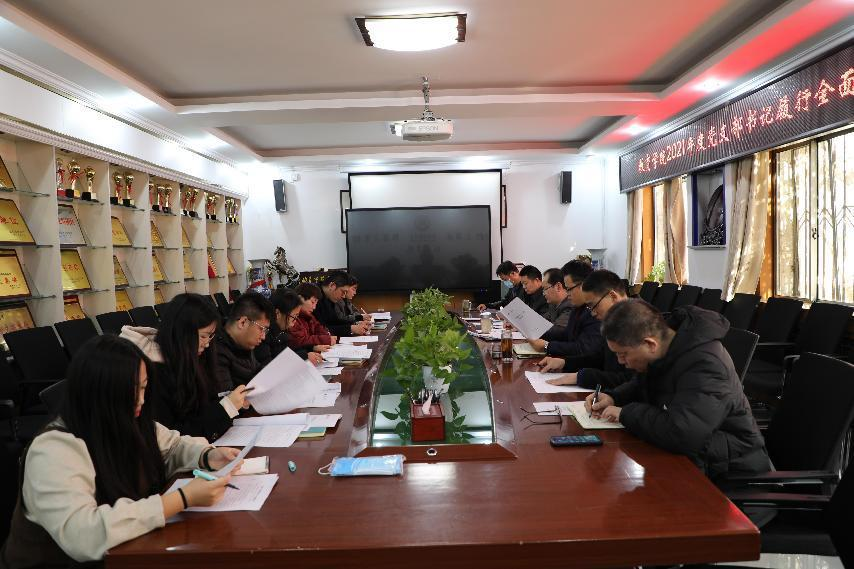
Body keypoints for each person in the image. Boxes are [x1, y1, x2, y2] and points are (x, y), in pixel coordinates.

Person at [0, 335, 241, 566]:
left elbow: (172, 447)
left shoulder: (125, 419)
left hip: (127, 552)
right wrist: (181, 499)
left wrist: (207, 456)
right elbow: (83, 535)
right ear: (98, 393)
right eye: (131, 391)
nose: (141, 400)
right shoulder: (54, 449)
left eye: (144, 388)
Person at [585, 299, 772, 482]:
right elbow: (643, 383)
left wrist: (626, 413)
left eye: (623, 354)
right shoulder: (669, 346)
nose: (620, 361)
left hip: (730, 473)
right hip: (693, 459)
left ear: (650, 344)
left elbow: (683, 434)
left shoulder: (705, 364)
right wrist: (614, 397)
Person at [121, 293, 250, 442]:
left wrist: (234, 403)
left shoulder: (192, 357)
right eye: (203, 336)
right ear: (182, 333)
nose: (207, 344)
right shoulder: (152, 372)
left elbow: (205, 407)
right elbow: (172, 438)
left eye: (211, 336)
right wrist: (226, 408)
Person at [539, 270, 633, 390]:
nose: (592, 313)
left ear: (613, 296)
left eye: (593, 306)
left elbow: (629, 381)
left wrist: (581, 377)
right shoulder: (614, 320)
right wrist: (565, 363)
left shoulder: (637, 324)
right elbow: (599, 357)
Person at [528, 260, 600, 358]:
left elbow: (584, 348)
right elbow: (565, 335)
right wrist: (532, 334)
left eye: (569, 289)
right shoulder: (577, 308)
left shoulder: (594, 311)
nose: (567, 293)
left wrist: (547, 346)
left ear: (583, 285)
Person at [214, 291, 272, 390]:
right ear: (243, 322)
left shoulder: (244, 343)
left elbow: (256, 370)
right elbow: (228, 397)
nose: (263, 337)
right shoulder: (217, 351)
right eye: (262, 329)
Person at [256, 288, 324, 366]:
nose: (295, 320)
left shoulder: (282, 330)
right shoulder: (264, 334)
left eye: (297, 316)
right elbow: (270, 365)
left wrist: (312, 348)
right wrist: (304, 356)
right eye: (294, 316)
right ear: (277, 313)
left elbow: (293, 349)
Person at [314, 271, 370, 337]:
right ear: (332, 286)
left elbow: (334, 322)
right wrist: (350, 328)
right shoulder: (314, 297)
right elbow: (320, 330)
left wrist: (356, 324)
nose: (343, 296)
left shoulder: (329, 297)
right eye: (343, 292)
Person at [289, 283, 337, 354]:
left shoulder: (309, 316)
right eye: (312, 302)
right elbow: (299, 341)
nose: (314, 307)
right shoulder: (293, 318)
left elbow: (319, 328)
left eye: (316, 303)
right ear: (300, 299)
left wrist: (328, 336)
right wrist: (325, 339)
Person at [536, 267, 573, 340]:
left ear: (558, 287)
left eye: (545, 289)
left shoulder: (570, 305)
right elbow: (540, 320)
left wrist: (533, 329)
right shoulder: (553, 305)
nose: (543, 293)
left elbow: (557, 331)